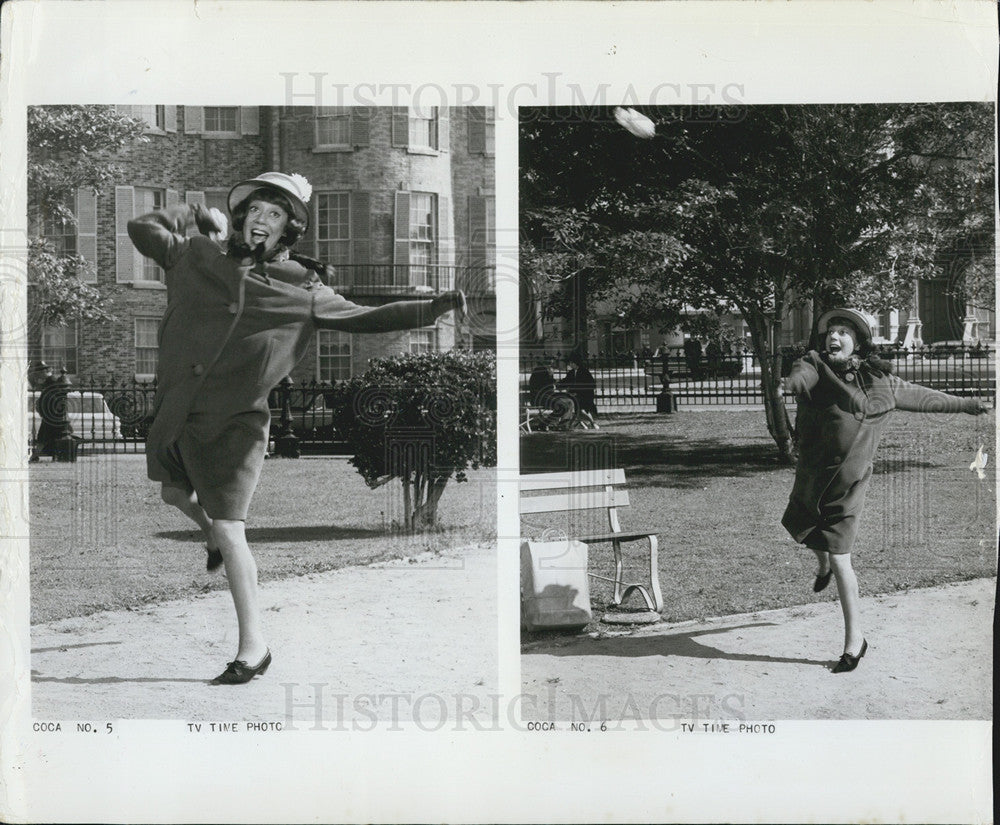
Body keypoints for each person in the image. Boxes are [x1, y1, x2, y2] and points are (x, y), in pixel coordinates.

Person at [128, 171, 465, 685]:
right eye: (256, 211)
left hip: (235, 426)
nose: (262, 220)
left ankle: (252, 646)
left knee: (231, 528)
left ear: (288, 231)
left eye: (275, 215)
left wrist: (431, 308)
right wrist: (193, 216)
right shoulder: (194, 256)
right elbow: (140, 227)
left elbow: (367, 316)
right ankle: (213, 539)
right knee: (173, 495)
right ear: (240, 220)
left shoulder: (303, 289)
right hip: (176, 412)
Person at [781, 308, 989, 674]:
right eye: (832, 331)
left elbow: (924, 397)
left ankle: (854, 641)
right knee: (809, 533)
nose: (835, 337)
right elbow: (802, 376)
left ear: (858, 341)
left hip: (848, 485)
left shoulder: (880, 382)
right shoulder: (815, 365)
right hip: (813, 478)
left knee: (842, 556)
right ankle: (822, 563)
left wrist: (969, 405)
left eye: (844, 332)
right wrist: (792, 383)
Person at [559, 356, 599, 429]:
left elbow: (591, 385)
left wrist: (578, 392)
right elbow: (565, 381)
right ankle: (570, 424)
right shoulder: (571, 373)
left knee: (579, 410)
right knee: (569, 405)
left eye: (571, 363)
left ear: (575, 363)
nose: (569, 365)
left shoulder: (584, 372)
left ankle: (592, 423)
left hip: (585, 395)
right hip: (574, 395)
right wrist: (557, 384)